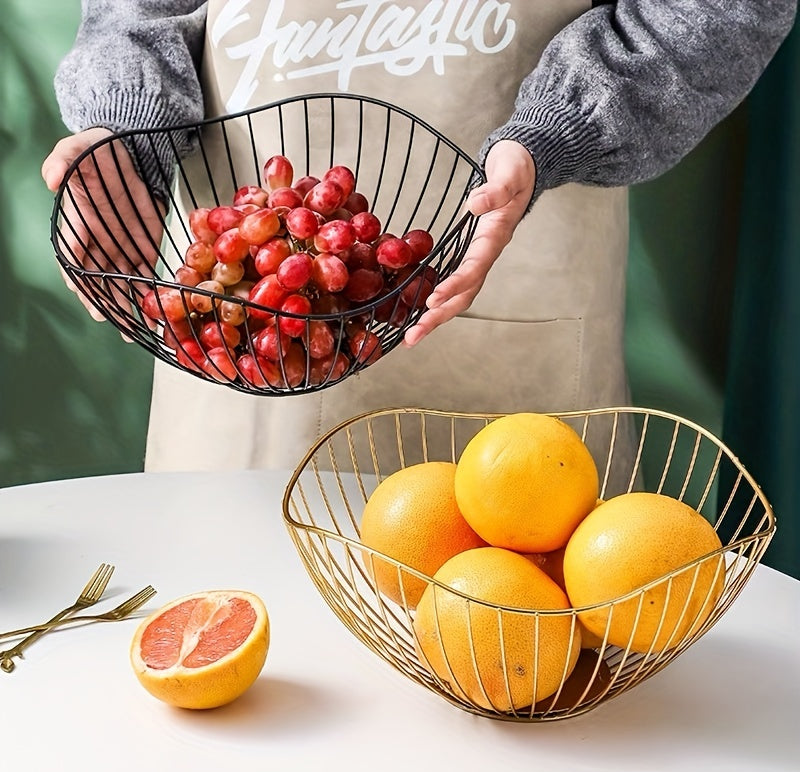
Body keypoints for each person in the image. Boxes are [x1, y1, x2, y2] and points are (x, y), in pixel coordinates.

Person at [42, 1, 797, 474]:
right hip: (238, 349)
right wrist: (128, 134)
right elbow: (136, 12)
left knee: (505, 656)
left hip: (520, 307)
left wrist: (561, 129)